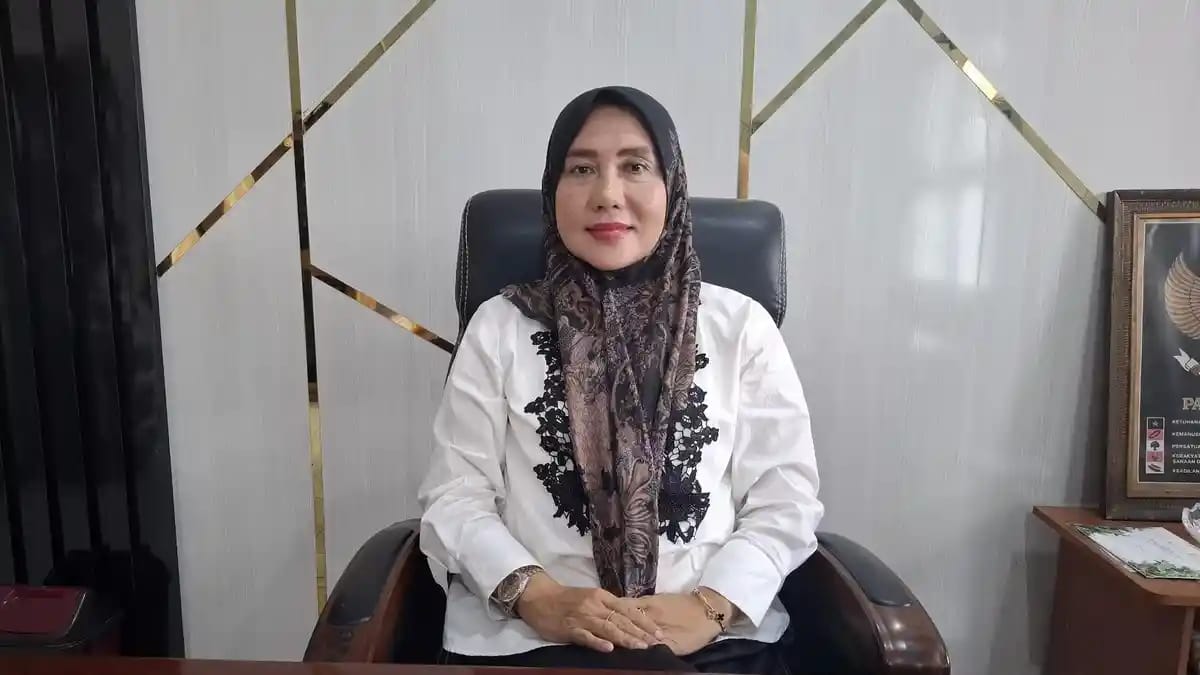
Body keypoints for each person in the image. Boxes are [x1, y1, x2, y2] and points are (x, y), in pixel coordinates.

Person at [417, 86, 823, 673]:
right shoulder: (500, 325)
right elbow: (456, 494)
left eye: (634, 166)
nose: (607, 194)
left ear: (671, 187)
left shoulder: (740, 327)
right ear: (552, 190)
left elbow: (785, 499)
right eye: (581, 169)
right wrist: (539, 596)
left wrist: (709, 607)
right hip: (533, 638)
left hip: (713, 641)